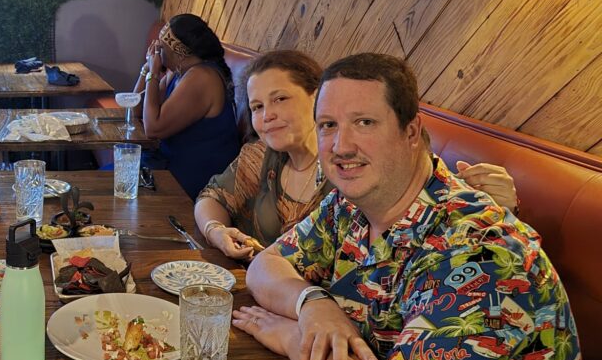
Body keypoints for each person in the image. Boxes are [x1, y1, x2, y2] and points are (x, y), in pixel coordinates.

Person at [230, 53, 599, 360]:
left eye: (364, 122)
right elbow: (266, 265)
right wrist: (312, 304)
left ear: (411, 131)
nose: (341, 145)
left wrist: (292, 336)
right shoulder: (350, 205)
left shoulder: (482, 249)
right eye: (328, 125)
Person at [195, 50, 519, 261]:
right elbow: (214, 198)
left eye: (280, 99)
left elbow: (431, 193)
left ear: (316, 97)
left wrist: (497, 203)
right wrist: (215, 230)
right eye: (257, 107)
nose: (267, 115)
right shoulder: (266, 158)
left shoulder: (357, 175)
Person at [134, 13, 241, 198]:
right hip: (168, 162)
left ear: (179, 52)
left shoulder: (201, 78)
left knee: (112, 185)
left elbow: (153, 128)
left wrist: (154, 72)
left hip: (192, 176)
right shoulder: (178, 71)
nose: (156, 49)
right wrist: (147, 68)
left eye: (161, 46)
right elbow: (136, 108)